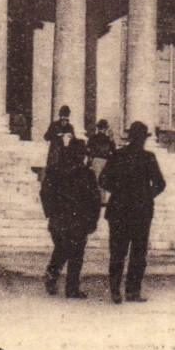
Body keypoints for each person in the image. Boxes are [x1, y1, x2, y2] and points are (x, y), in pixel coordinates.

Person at [99, 120, 165, 304]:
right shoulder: (148, 158)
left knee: (118, 253)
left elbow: (103, 180)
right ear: (143, 139)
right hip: (140, 212)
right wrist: (146, 196)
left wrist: (119, 191)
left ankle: (115, 291)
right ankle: (132, 292)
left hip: (119, 210)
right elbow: (161, 184)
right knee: (138, 253)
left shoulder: (117, 155)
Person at [42, 139, 101, 298]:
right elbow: (95, 199)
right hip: (77, 220)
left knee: (62, 248)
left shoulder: (54, 171)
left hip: (60, 219)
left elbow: (45, 193)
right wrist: (93, 221)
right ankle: (71, 287)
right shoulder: (86, 173)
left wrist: (51, 213)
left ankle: (52, 274)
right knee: (75, 253)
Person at [85, 119, 116, 192]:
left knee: (97, 181)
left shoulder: (92, 138)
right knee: (103, 182)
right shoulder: (108, 139)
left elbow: (88, 150)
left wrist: (89, 161)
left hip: (96, 161)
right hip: (105, 161)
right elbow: (113, 150)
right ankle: (102, 200)